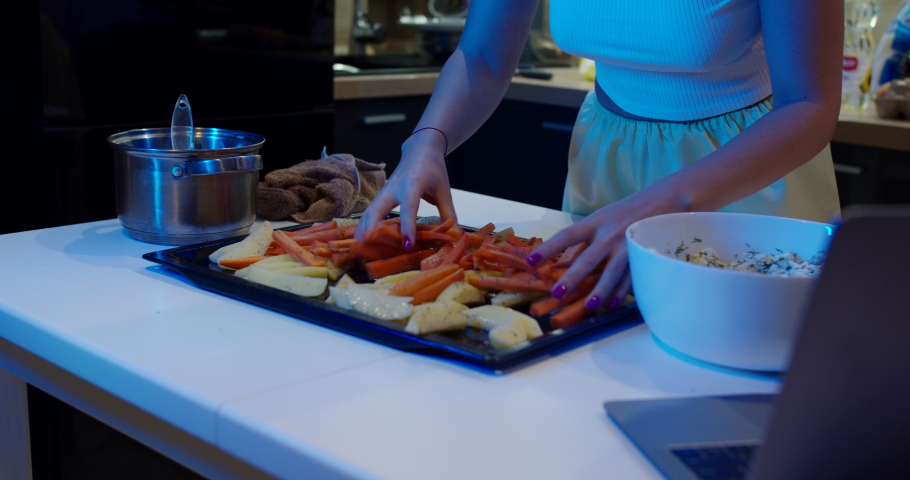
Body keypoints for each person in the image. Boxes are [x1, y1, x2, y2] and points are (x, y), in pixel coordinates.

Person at [355, 0, 842, 312]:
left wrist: (664, 203)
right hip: (606, 159)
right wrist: (427, 140)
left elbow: (810, 104)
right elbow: (482, 57)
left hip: (741, 176)